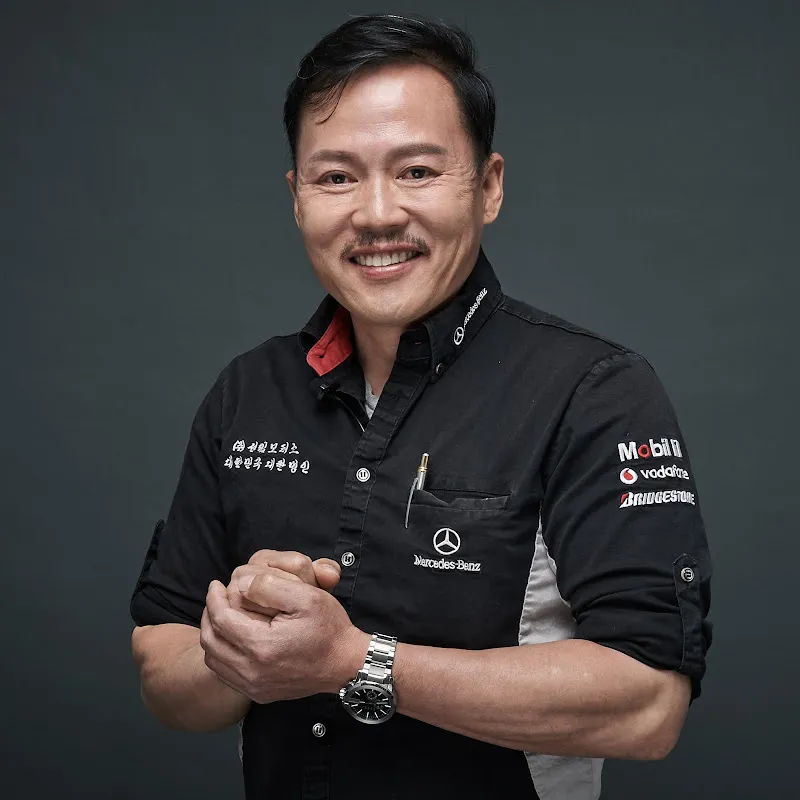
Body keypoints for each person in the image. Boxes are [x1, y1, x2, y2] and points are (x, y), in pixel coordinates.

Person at [130, 14, 712, 800]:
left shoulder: (594, 391)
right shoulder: (247, 391)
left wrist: (351, 661)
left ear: (489, 186)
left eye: (416, 171)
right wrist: (243, 640)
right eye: (337, 178)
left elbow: (648, 705)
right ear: (297, 197)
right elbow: (163, 676)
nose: (376, 214)